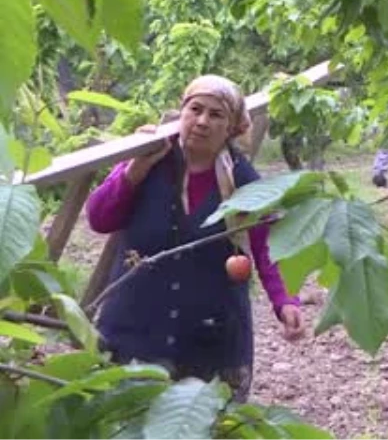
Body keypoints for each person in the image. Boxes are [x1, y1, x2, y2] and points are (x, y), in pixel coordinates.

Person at [85, 75, 306, 401]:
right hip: (135, 333)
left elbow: (266, 242)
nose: (202, 121)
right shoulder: (148, 159)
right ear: (182, 112)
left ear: (232, 127)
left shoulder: (242, 179)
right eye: (195, 109)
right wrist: (132, 171)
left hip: (210, 342)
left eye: (216, 115)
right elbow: (99, 218)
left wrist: (285, 301)